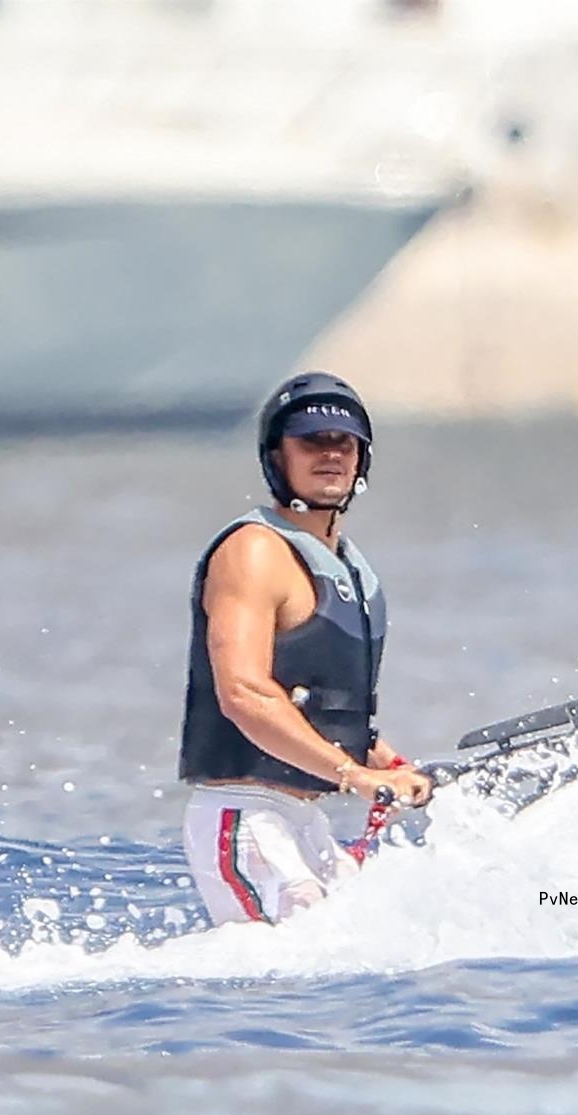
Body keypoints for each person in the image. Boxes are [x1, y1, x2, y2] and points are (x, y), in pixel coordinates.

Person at [178, 372, 432, 925]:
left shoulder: (348, 570)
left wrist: (388, 765)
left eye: (344, 443)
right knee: (296, 960)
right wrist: (356, 777)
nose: (330, 455)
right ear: (277, 456)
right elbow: (244, 693)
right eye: (311, 441)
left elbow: (321, 711)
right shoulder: (253, 552)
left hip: (305, 820)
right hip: (245, 817)